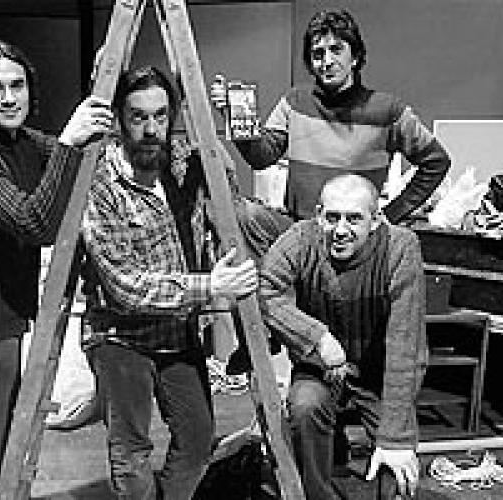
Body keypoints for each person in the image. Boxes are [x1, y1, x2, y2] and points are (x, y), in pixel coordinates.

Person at [0, 38, 113, 499]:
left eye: (17, 85)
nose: (9, 98)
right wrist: (68, 141)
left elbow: (93, 156)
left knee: (7, 450)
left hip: (5, 321)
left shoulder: (20, 142)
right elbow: (34, 224)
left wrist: (110, 88)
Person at [80, 65, 259, 500]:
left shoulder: (182, 162)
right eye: (138, 117)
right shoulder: (101, 183)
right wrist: (210, 287)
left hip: (177, 333)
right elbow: (125, 286)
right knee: (131, 451)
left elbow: (229, 194)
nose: (150, 129)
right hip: (119, 336)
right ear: (120, 119)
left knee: (197, 440)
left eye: (160, 116)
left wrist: (212, 128)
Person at [259, 173, 427, 499]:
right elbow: (264, 291)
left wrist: (395, 439)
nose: (340, 230)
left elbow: (406, 345)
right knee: (305, 406)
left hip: (378, 373)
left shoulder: (400, 247)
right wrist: (317, 338)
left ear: (376, 220)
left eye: (354, 219)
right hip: (319, 368)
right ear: (319, 214)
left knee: (397, 463)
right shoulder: (301, 239)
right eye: (333, 217)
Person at [211, 8, 450, 225]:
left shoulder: (388, 111)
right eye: (318, 54)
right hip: (300, 230)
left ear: (354, 57)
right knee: (240, 215)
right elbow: (262, 157)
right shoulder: (295, 102)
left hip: (356, 237)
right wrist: (233, 116)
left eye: (336, 50)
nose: (326, 62)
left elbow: (436, 161)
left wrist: (392, 214)